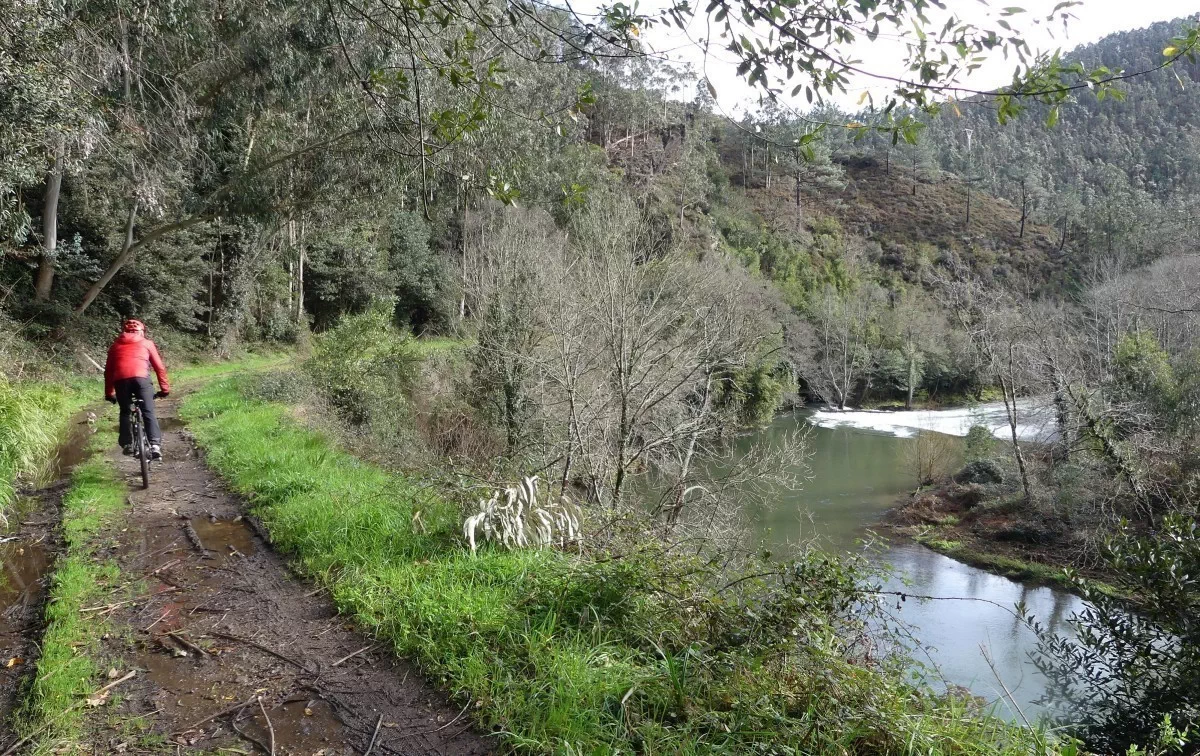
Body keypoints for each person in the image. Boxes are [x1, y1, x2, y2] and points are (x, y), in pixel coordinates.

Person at [104, 319, 170, 460]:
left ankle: (127, 443)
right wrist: (164, 389)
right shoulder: (147, 343)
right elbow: (159, 367)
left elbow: (108, 372)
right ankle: (155, 446)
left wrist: (109, 393)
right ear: (142, 331)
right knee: (148, 411)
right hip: (141, 380)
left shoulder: (115, 346)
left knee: (126, 412)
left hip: (121, 382)